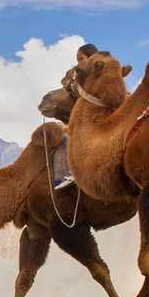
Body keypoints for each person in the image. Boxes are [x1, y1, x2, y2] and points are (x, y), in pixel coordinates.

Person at [51, 43, 98, 190]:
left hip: (95, 120)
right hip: (88, 117)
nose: (79, 63)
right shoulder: (78, 74)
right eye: (77, 60)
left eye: (81, 59)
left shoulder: (94, 77)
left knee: (65, 139)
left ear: (91, 58)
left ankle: (67, 175)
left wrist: (72, 84)